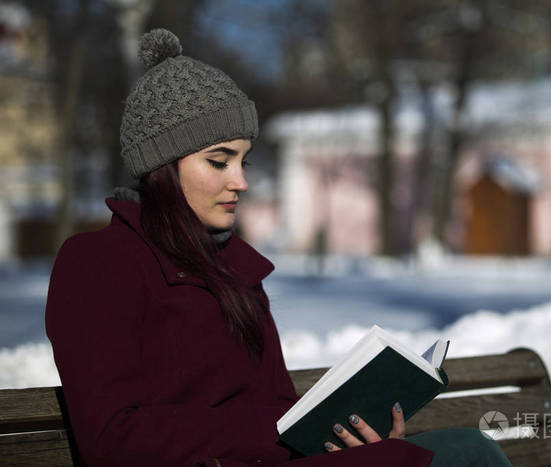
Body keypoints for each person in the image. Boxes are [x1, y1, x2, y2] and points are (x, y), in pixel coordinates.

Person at [45, 28, 512, 467]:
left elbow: (282, 411)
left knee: (469, 448)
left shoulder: (233, 268)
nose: (241, 181)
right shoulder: (97, 264)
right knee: (468, 453)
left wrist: (344, 432)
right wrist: (271, 431)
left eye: (243, 160)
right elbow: (111, 437)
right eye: (219, 161)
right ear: (162, 166)